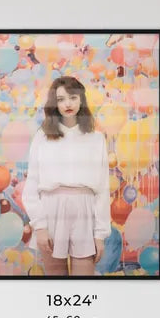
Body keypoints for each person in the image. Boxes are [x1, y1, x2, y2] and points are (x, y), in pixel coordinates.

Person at [23, 75, 111, 276]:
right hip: (52, 209)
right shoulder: (42, 137)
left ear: (81, 100)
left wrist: (100, 234)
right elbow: (32, 186)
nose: (67, 104)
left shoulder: (96, 139)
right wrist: (40, 226)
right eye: (61, 99)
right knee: (56, 282)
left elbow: (103, 189)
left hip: (85, 210)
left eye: (72, 97)